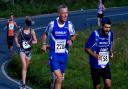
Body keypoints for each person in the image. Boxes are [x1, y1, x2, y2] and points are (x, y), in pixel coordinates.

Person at [41, 4, 77, 89]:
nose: (65, 15)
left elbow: (74, 35)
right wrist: (43, 44)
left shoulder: (69, 25)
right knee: (58, 77)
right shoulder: (52, 24)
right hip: (54, 55)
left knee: (58, 80)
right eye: (63, 13)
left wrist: (71, 40)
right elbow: (45, 34)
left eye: (67, 13)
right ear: (59, 14)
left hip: (64, 55)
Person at [84, 17, 113, 89]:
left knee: (108, 85)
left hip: (105, 64)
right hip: (95, 65)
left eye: (109, 27)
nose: (108, 29)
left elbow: (110, 45)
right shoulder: (94, 34)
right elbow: (86, 48)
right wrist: (95, 55)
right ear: (101, 26)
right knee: (97, 87)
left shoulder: (110, 34)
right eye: (106, 27)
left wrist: (111, 53)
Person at [15, 16, 37, 89]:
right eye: (28, 23)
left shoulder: (32, 31)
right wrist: (17, 43)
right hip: (22, 50)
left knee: (25, 67)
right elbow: (15, 37)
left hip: (29, 51)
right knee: (24, 66)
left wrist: (30, 42)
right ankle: (23, 85)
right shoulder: (20, 30)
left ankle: (22, 79)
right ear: (25, 23)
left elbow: (35, 41)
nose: (29, 25)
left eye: (29, 24)